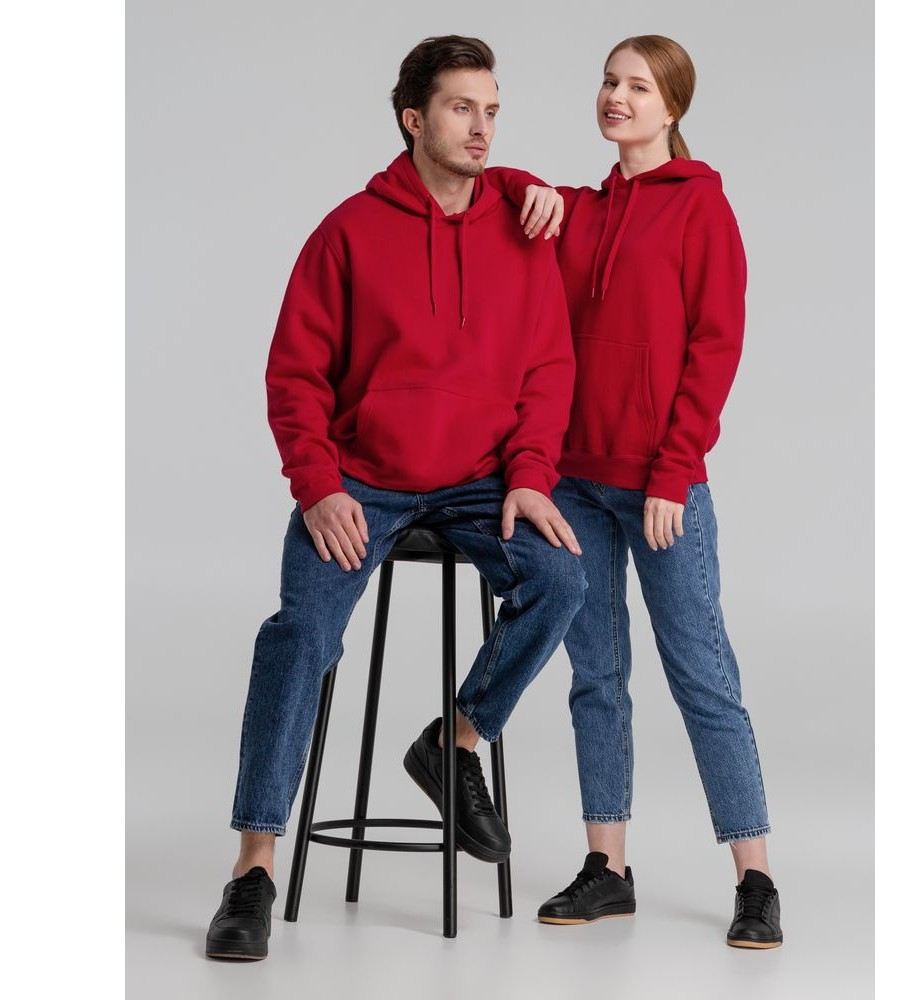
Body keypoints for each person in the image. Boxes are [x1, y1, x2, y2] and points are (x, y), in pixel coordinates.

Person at [205, 35, 587, 961]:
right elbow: (295, 375)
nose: (482, 128)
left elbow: (548, 369)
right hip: (363, 481)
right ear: (414, 119)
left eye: (492, 111)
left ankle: (453, 742)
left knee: (562, 579)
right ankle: (254, 868)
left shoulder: (522, 225)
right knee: (299, 634)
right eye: (462, 108)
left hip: (479, 481)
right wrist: (318, 487)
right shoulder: (348, 232)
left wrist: (530, 475)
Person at [488, 34, 783, 948]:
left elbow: (714, 349)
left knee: (703, 676)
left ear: (672, 107)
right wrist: (525, 184)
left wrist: (674, 470)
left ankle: (756, 877)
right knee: (597, 678)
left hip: (660, 487)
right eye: (609, 82)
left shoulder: (702, 208)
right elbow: (494, 188)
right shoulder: (580, 211)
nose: (616, 96)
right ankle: (606, 868)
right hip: (574, 482)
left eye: (638, 87)